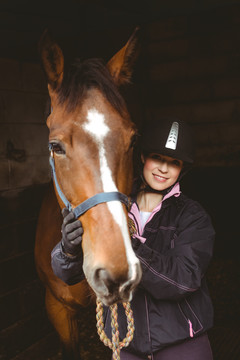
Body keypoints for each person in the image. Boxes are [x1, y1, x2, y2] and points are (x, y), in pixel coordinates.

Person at [51, 117, 215, 360]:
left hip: (181, 343)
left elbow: (184, 280)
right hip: (128, 345)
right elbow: (69, 274)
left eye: (174, 162)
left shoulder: (192, 216)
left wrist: (128, 245)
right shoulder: (111, 209)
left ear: (182, 169)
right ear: (142, 157)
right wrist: (69, 249)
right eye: (157, 158)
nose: (163, 168)